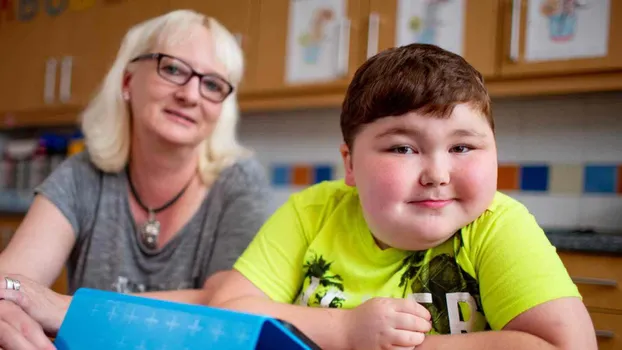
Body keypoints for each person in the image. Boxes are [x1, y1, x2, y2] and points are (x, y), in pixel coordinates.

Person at [208, 44, 597, 350]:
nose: (437, 175)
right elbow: (227, 313)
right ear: (351, 166)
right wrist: (345, 330)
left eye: (462, 147)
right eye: (403, 149)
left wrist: (397, 344)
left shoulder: (497, 225)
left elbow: (567, 345)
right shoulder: (312, 212)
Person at [0, 8, 272, 347]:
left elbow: (227, 305)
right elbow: (8, 282)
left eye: (212, 84)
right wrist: (10, 311)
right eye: (172, 69)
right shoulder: (82, 174)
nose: (190, 95)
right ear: (127, 81)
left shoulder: (241, 184)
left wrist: (64, 309)